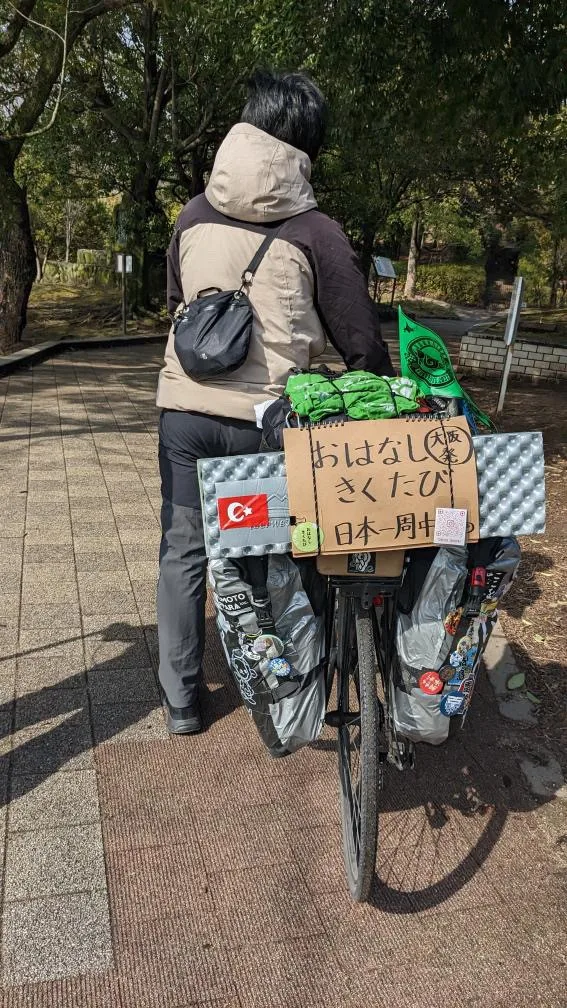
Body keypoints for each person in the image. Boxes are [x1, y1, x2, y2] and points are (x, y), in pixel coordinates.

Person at [157, 69, 394, 734]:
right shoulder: (314, 230)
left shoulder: (193, 213)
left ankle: (180, 702)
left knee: (183, 551)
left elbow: (177, 303)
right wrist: (370, 382)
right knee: (278, 550)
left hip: (184, 412)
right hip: (266, 422)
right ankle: (284, 689)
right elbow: (357, 337)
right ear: (304, 145)